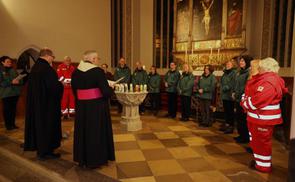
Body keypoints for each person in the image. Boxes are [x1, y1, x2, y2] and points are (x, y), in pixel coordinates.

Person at [241, 58, 288, 173]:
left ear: (266, 68)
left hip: (263, 119)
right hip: (258, 118)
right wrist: (246, 99)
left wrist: (245, 102)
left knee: (262, 143)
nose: (259, 69)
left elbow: (257, 100)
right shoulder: (265, 79)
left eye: (260, 67)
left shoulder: (269, 82)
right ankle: (259, 162)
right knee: (257, 142)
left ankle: (263, 166)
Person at [71, 50, 115, 168]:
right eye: (97, 59)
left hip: (81, 107)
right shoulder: (98, 71)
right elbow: (105, 92)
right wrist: (111, 88)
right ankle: (95, 160)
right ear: (93, 59)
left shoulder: (75, 72)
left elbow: (74, 90)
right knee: (95, 133)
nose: (97, 61)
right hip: (96, 108)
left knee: (83, 132)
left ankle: (83, 158)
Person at [24, 48, 63, 160]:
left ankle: (41, 149)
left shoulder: (35, 68)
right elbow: (53, 88)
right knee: (47, 127)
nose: (53, 59)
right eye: (52, 57)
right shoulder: (47, 69)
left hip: (37, 105)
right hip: (47, 107)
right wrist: (60, 85)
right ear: (47, 56)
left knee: (39, 127)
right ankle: (47, 152)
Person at [232, 55, 252, 143]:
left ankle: (245, 137)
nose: (240, 62)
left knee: (244, 119)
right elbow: (236, 84)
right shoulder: (239, 72)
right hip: (237, 98)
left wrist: (240, 95)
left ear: (247, 62)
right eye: (240, 61)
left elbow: (246, 87)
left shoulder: (249, 73)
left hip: (243, 99)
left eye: (243, 61)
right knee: (239, 118)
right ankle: (241, 135)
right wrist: (233, 92)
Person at [0, 56, 23, 130]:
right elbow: (1, 82)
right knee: (7, 110)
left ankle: (13, 124)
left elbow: (20, 79)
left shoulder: (13, 70)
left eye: (10, 62)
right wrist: (11, 82)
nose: (10, 63)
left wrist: (19, 80)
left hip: (15, 93)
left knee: (13, 109)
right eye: (7, 62)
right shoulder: (1, 70)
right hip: (6, 93)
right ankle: (8, 125)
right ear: (2, 62)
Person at [220, 59, 237, 134]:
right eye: (227, 64)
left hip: (230, 95)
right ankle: (227, 124)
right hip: (224, 95)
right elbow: (222, 81)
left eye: (229, 64)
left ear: (233, 65)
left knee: (230, 111)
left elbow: (232, 83)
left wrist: (224, 88)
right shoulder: (225, 73)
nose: (227, 65)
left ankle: (231, 126)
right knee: (226, 111)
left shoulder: (234, 73)